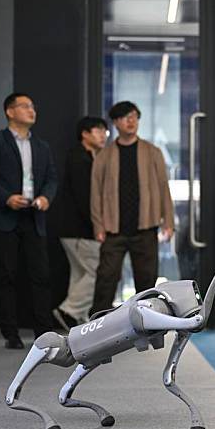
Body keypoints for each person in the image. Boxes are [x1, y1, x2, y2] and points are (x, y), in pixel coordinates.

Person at [0, 93, 57, 349]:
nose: (32, 110)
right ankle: (10, 333)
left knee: (41, 276)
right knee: (6, 276)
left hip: (34, 216)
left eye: (33, 106)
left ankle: (43, 332)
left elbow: (51, 178)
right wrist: (7, 198)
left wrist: (45, 197)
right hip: (3, 217)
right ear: (10, 112)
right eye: (25, 106)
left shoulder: (42, 146)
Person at [90, 101, 174, 316]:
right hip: (113, 228)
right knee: (106, 279)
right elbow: (96, 193)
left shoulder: (152, 152)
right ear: (116, 122)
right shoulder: (104, 155)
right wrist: (98, 225)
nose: (131, 121)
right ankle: (98, 327)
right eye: (126, 117)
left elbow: (164, 188)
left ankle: (149, 326)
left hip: (145, 226)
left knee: (146, 282)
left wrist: (169, 222)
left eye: (135, 117)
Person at [53, 116, 108, 330]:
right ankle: (69, 311)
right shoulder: (80, 159)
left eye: (105, 131)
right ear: (85, 134)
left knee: (80, 274)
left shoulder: (89, 157)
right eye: (98, 130)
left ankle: (77, 319)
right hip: (79, 229)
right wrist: (98, 226)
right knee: (96, 270)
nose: (103, 135)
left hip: (73, 229)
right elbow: (85, 198)